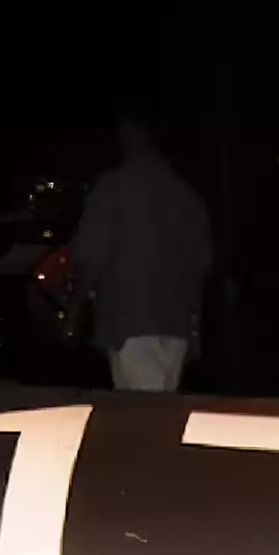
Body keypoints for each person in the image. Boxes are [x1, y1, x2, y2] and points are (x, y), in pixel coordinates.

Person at [70, 117, 212, 392]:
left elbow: (91, 257)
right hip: (175, 327)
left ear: (134, 135)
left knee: (143, 411)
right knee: (159, 405)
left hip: (131, 323)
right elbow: (198, 270)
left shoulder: (113, 188)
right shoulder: (187, 195)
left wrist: (73, 315)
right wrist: (195, 331)